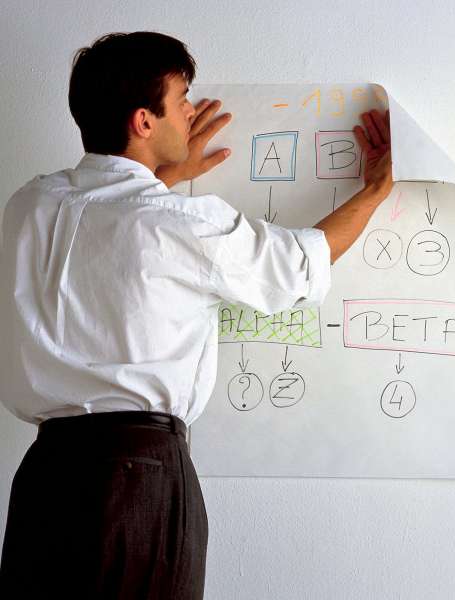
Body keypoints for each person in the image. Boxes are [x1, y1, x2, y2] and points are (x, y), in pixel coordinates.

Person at [0, 31, 392, 599]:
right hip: (139, 477)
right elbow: (295, 266)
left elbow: (108, 226)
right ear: (143, 121)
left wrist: (159, 174)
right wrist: (375, 190)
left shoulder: (29, 205)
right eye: (181, 99)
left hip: (45, 477)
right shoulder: (180, 222)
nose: (190, 111)